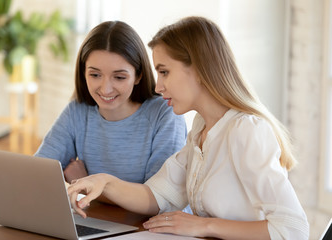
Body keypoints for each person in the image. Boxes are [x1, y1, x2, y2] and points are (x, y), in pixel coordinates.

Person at [67, 16, 309, 239]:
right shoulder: (201, 129)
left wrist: (204, 225)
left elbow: (293, 228)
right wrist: (104, 182)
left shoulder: (246, 131)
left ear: (200, 70)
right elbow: (156, 195)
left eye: (164, 72)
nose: (158, 86)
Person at [35, 21, 187, 186]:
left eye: (119, 77)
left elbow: (160, 200)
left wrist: (85, 183)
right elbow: (37, 172)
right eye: (95, 75)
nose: (105, 89)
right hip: (92, 212)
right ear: (83, 72)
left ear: (138, 75)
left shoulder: (164, 113)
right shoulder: (78, 111)